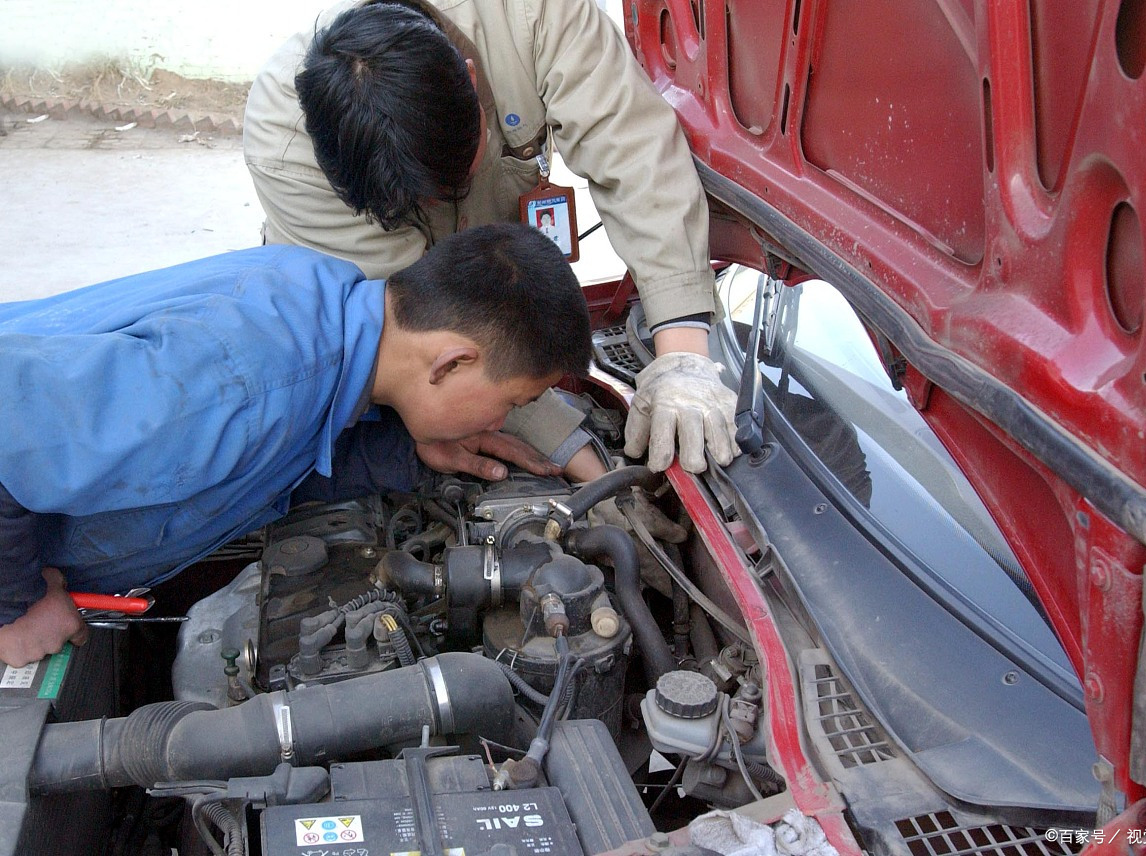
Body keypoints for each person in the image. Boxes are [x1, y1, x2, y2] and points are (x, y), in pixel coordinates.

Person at [0, 224, 592, 668]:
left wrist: (404, 451)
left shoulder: (319, 298)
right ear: (452, 362)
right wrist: (15, 606)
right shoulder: (244, 383)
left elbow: (273, 464)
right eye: (512, 401)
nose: (502, 418)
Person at [242, 0, 738, 478]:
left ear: (472, 77)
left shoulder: (536, 13)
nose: (440, 209)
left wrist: (682, 356)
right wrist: (571, 449)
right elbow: (413, 344)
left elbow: (635, 161)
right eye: (413, 209)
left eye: (458, 181)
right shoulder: (286, 149)